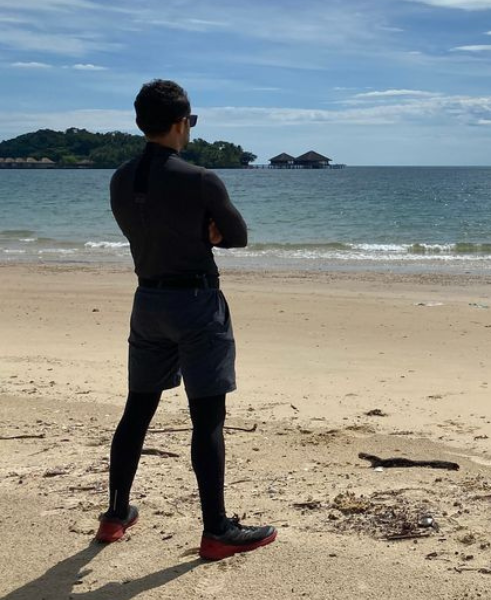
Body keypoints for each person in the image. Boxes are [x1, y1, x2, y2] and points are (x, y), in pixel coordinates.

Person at [99, 79, 276, 560]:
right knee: (207, 417)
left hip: (148, 300)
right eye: (191, 122)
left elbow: (148, 229)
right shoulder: (199, 179)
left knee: (138, 407)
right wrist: (208, 233)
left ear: (141, 124)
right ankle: (216, 529)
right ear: (181, 123)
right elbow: (237, 236)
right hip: (196, 303)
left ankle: (116, 514)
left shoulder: (120, 178)